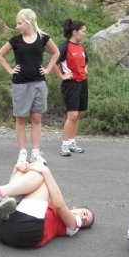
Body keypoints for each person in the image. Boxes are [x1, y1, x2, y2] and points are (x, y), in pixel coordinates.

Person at [0, 162, 93, 249]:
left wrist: (46, 171)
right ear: (76, 207)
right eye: (85, 214)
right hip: (1, 227)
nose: (84, 218)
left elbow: (59, 204)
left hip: (27, 232)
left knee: (42, 179)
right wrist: (17, 170)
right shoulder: (46, 207)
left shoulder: (74, 225)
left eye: (86, 222)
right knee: (23, 174)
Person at [0, 9, 59, 167]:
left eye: (19, 23)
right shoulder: (15, 40)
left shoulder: (43, 38)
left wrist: (49, 68)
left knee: (37, 119)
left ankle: (35, 153)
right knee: (21, 119)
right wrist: (10, 70)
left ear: (29, 22)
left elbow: (56, 53)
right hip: (20, 84)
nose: (17, 26)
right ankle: (22, 153)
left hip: (39, 84)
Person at [55, 18, 89, 158]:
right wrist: (62, 76)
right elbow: (53, 63)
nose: (85, 34)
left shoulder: (81, 47)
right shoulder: (65, 47)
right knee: (72, 115)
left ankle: (72, 142)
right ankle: (64, 145)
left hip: (82, 83)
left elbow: (86, 62)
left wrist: (86, 70)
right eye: (83, 31)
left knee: (78, 114)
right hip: (71, 84)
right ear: (75, 32)